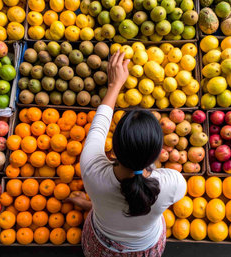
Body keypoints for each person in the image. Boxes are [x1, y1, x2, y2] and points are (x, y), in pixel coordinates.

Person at [74, 51, 187, 256]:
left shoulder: (91, 170)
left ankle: (92, 206)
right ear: (156, 156)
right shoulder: (173, 183)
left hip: (103, 246)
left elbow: (99, 126)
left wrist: (114, 85)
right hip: (145, 247)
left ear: (114, 148)